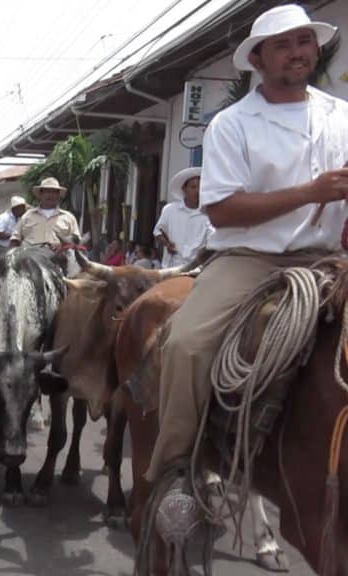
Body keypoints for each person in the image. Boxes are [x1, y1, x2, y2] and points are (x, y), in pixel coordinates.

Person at [146, 5, 347, 489]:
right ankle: (175, 468)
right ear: (257, 59)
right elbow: (222, 211)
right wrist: (309, 193)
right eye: (282, 45)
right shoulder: (232, 124)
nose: (297, 53)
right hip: (250, 260)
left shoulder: (342, 114)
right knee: (187, 344)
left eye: (303, 41)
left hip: (330, 259)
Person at [154, 167, 213, 268]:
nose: (197, 191)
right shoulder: (170, 210)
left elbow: (211, 240)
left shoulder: (209, 213)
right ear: (184, 189)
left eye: (200, 187)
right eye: (193, 187)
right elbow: (158, 231)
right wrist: (167, 244)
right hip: (171, 267)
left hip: (197, 269)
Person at [10, 177, 80, 248]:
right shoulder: (27, 216)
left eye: (54, 192)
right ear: (40, 195)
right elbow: (15, 240)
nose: (50, 195)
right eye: (47, 191)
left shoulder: (68, 217)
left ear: (58, 195)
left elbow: (76, 240)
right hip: (31, 256)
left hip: (58, 256)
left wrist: (60, 244)